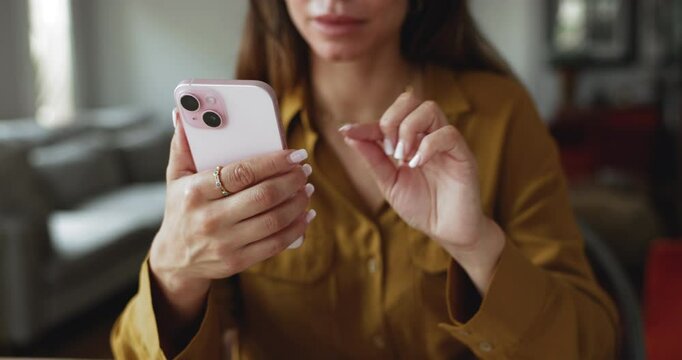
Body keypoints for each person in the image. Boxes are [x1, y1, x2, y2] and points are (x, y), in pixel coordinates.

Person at [111, 1, 618, 358]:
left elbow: (591, 345)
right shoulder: (237, 141)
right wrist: (174, 272)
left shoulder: (502, 115)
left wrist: (477, 244)